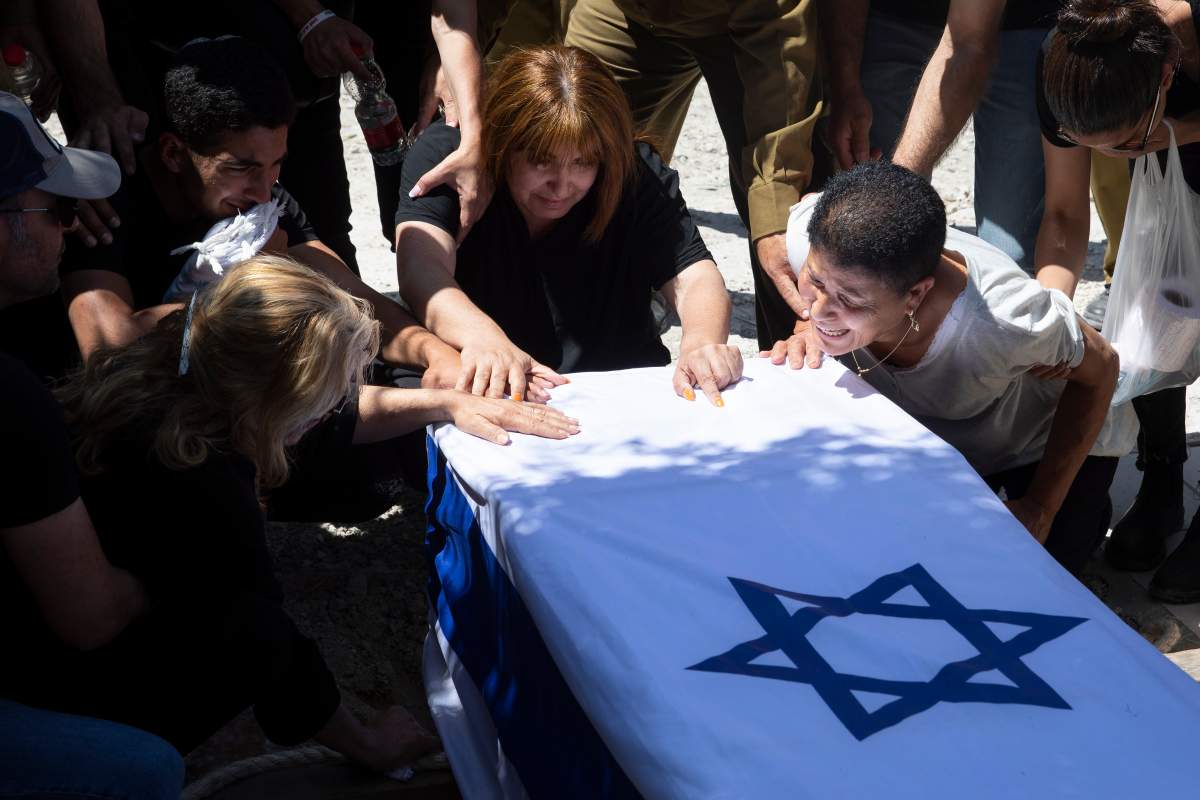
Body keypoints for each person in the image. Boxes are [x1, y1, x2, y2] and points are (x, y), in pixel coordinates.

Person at [5, 255, 579, 766]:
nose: (338, 400)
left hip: (27, 629)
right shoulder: (208, 485)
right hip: (65, 688)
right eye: (327, 390)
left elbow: (325, 419)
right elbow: (266, 642)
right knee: (242, 628)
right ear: (279, 399)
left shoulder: (169, 370)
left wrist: (443, 403)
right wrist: (364, 741)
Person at [766, 161, 1136, 576]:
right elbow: (801, 228)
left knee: (1032, 573)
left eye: (850, 301)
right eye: (814, 283)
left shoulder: (1007, 319)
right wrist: (803, 326)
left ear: (916, 295)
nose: (821, 310)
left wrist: (1039, 506)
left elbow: (1103, 367)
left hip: (1036, 441)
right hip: (939, 439)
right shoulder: (813, 235)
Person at [57, 36, 452, 375]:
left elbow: (359, 305)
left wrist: (438, 357)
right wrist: (239, 284)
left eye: (275, 164)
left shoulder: (264, 201)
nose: (263, 191)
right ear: (174, 154)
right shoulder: (105, 204)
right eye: (241, 167)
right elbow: (108, 352)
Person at [0, 92, 182, 799]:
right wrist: (186, 572)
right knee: (143, 773)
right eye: (57, 211)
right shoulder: (10, 400)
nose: (74, 229)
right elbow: (91, 617)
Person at [395, 45, 743, 406]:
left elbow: (694, 274)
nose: (562, 186)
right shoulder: (450, 160)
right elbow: (422, 270)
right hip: (485, 386)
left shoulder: (632, 172)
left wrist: (702, 344)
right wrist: (484, 339)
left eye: (583, 162)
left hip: (615, 388)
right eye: (541, 161)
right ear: (503, 142)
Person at [1035, 0, 1200, 602]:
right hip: (1165, 175)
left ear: (1166, 77)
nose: (1110, 153)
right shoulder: (1069, 62)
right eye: (1090, 144)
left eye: (1123, 141)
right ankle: (1162, 478)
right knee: (1154, 316)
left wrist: (1179, 132)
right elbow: (1062, 212)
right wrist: (1049, 318)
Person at [559, 0, 825, 350]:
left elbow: (780, 46)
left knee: (790, 220)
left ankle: (802, 359)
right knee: (570, 149)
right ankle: (580, 348)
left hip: (753, 12)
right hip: (625, 10)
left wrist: (775, 208)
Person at [822, 0, 1059, 273]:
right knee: (864, 244)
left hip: (1021, 21)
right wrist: (845, 84)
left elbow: (967, 44)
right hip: (892, 17)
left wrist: (893, 188)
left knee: (1007, 258)